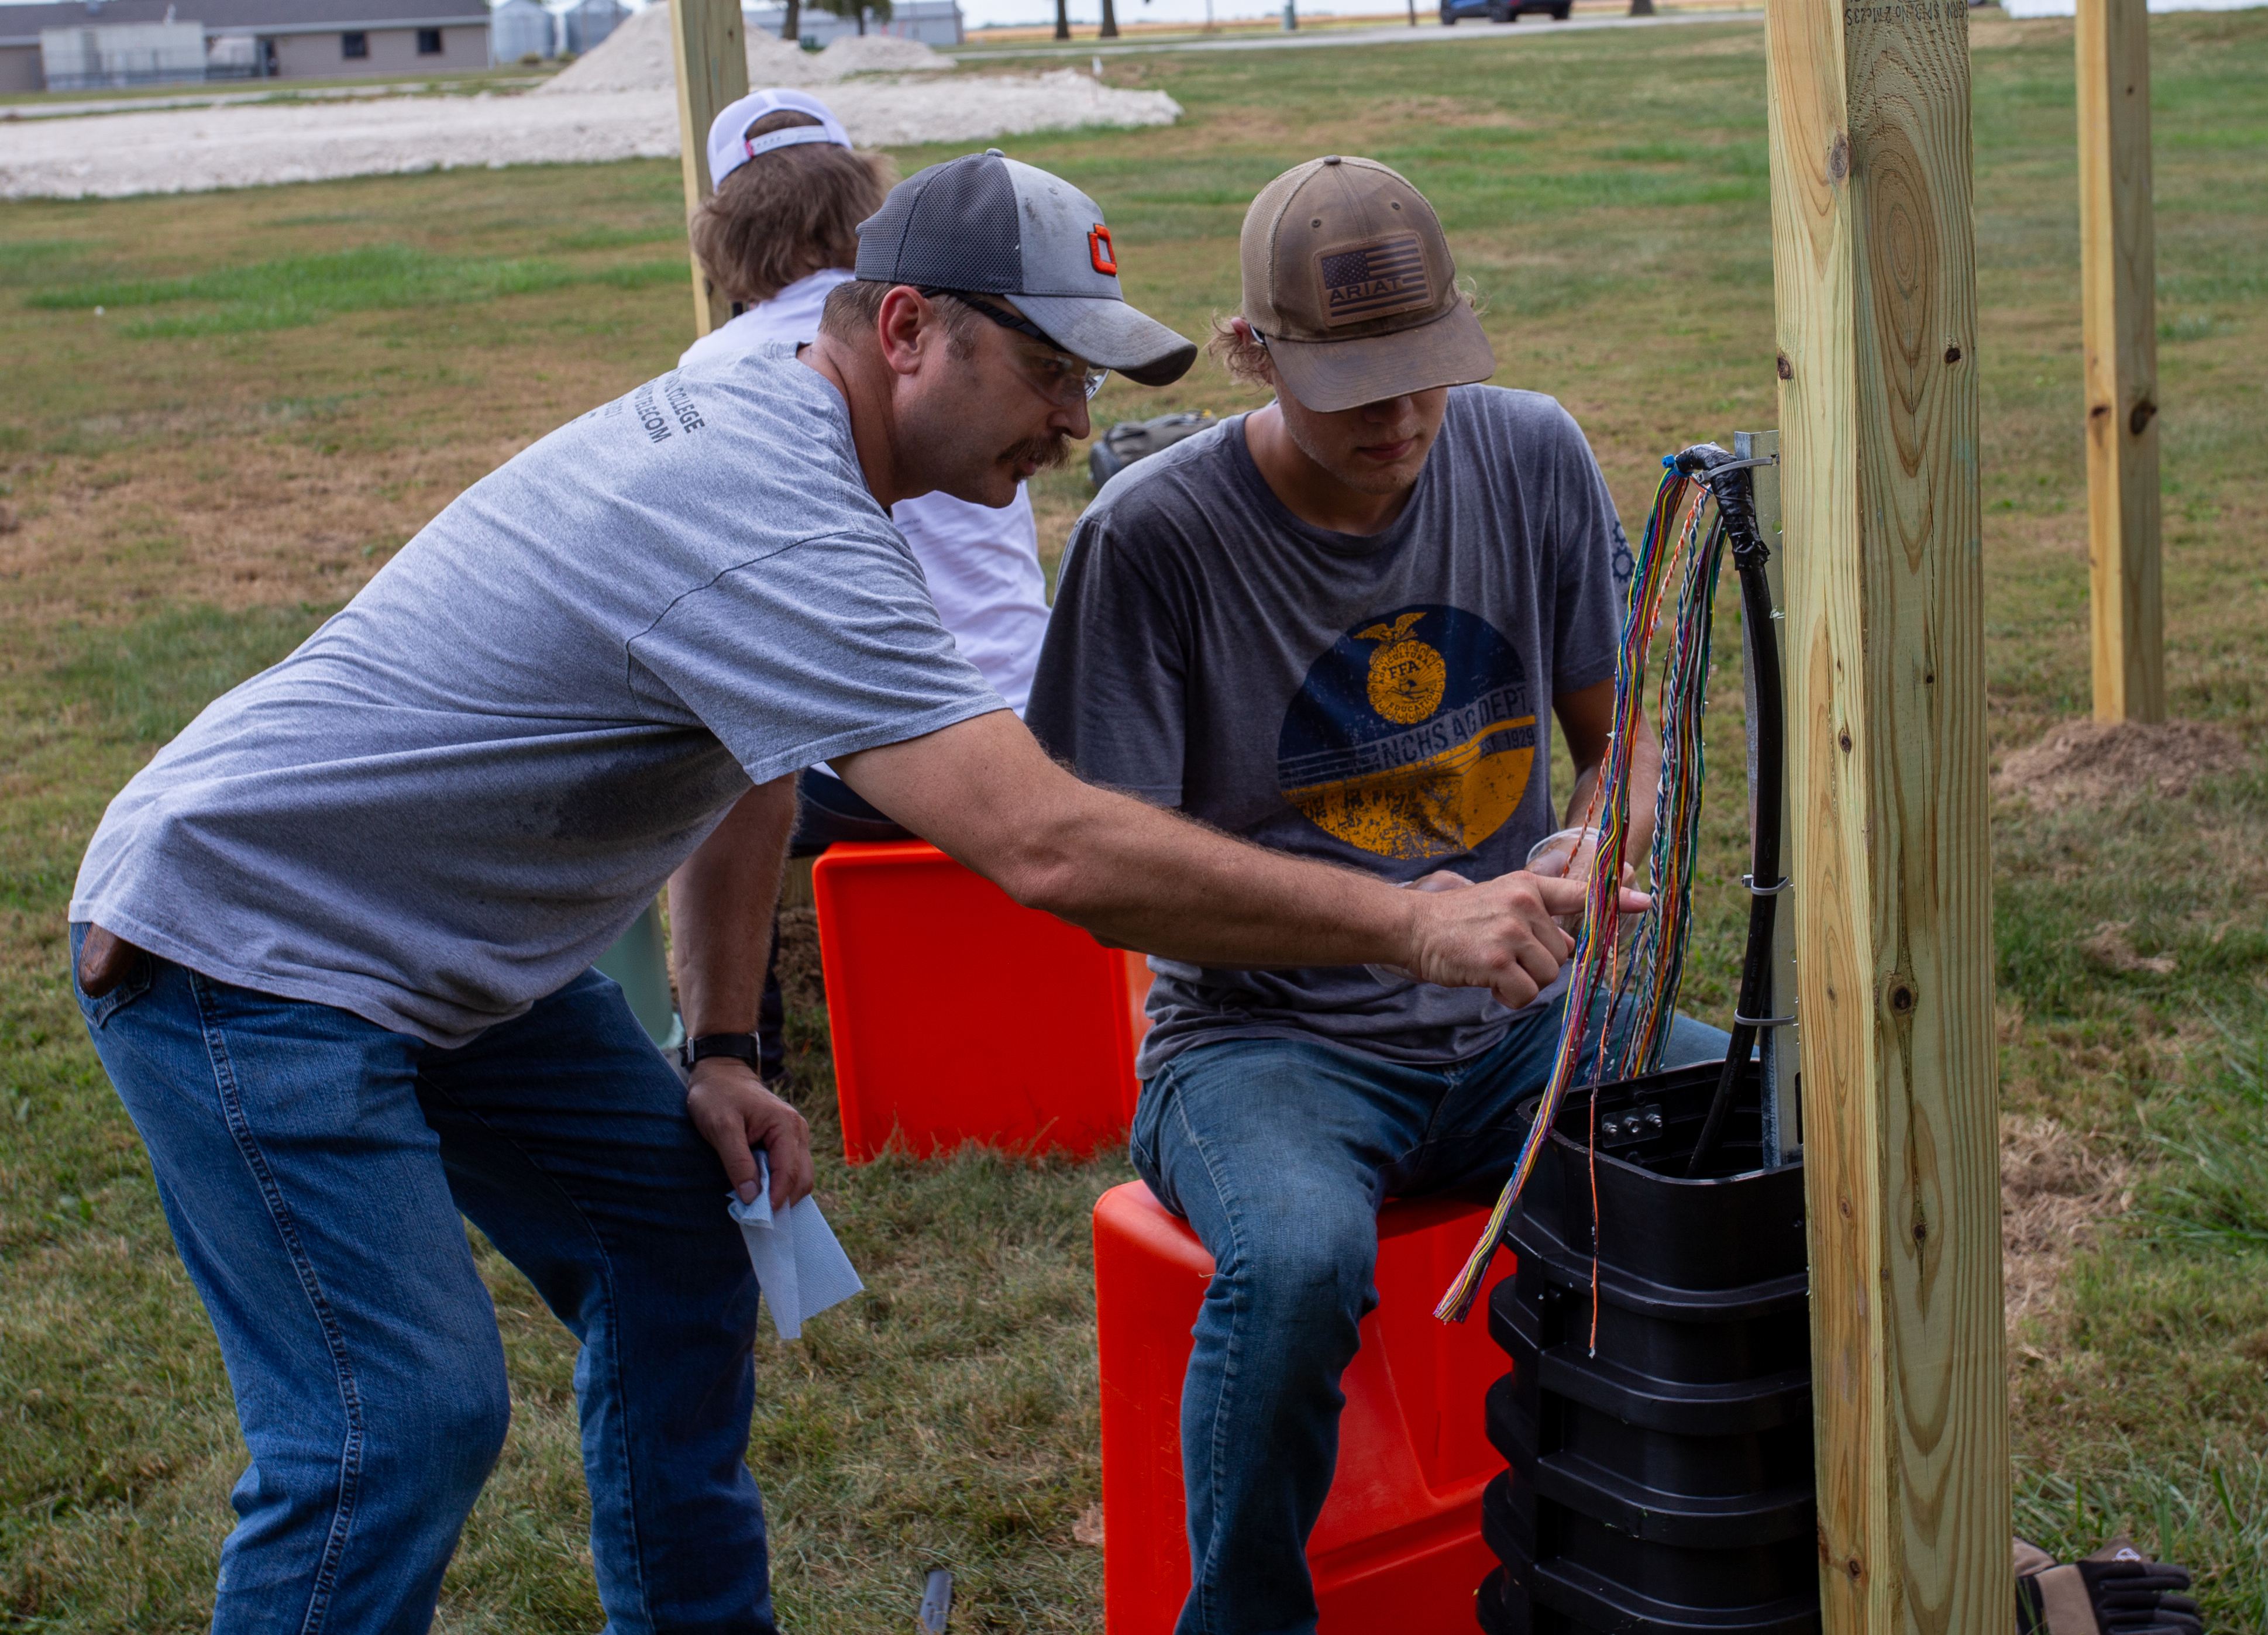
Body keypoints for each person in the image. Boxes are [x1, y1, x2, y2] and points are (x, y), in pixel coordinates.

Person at [67, 153, 1597, 1635]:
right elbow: (1047, 846)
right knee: (396, 1417)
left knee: (671, 1245)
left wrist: (724, 1045)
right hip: (251, 940)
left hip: (457, 960)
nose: (1076, 423)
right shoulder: (771, 502)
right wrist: (1411, 918)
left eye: (1092, 383)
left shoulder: (814, 454)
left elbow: (755, 766)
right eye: (1050, 371)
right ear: (908, 326)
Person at [1028, 154, 1729, 1635]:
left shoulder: (1529, 452)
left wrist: (1605, 839)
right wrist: (1412, 925)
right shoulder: (1153, 540)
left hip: (1519, 1028)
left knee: (1760, 1127)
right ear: (1250, 355)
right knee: (1294, 1264)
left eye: (1429, 375)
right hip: (1264, 1049)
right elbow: (1105, 882)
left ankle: (1661, 1563)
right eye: (1355, 387)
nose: (1404, 422)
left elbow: (1627, 740)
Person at [678, 94, 1057, 1076]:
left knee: (688, 783)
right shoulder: (953, 343)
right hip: (1037, 723)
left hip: (875, 778)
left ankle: (736, 1050)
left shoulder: (714, 372)